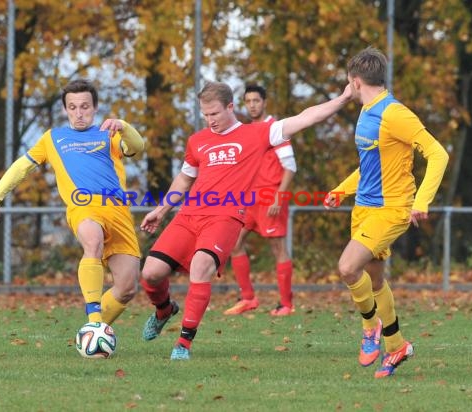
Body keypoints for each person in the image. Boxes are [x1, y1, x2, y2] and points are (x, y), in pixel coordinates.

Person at [140, 80, 352, 360]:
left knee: (201, 267)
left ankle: (183, 344)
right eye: (205, 115)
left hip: (225, 218)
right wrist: (162, 209)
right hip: (189, 214)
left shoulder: (257, 133)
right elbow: (184, 178)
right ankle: (164, 309)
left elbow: (305, 118)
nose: (210, 120)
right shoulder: (198, 141)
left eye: (214, 113)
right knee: (150, 274)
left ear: (230, 107)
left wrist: (343, 98)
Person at [323, 47, 449, 378]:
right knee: (375, 280)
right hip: (363, 208)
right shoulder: (366, 111)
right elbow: (370, 165)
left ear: (354, 80)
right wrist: (341, 190)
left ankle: (370, 329)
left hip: (390, 209)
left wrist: (422, 201)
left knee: (348, 268)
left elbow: (438, 154)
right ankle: (397, 347)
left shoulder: (395, 114)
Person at [0, 79, 145, 330]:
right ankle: (93, 321)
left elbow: (138, 147)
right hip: (84, 207)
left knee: (127, 287)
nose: (79, 113)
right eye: (72, 107)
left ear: (95, 107)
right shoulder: (53, 138)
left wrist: (124, 126)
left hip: (118, 211)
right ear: (65, 109)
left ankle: (93, 333)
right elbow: (22, 166)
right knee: (92, 241)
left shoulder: (109, 134)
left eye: (84, 107)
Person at [224, 84, 296, 316]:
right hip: (248, 200)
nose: (253, 105)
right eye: (249, 101)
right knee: (233, 243)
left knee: (278, 249)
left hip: (270, 197)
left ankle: (286, 304)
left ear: (264, 102)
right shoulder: (245, 131)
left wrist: (278, 196)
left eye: (256, 100)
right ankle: (248, 299)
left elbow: (291, 167)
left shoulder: (275, 129)